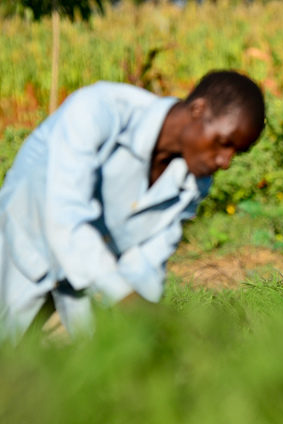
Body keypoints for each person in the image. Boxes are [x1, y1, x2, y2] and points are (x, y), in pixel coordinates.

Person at [0, 70, 265, 342]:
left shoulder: (193, 182)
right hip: (20, 256)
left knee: (79, 374)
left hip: (86, 287)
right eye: (224, 143)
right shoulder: (98, 111)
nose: (226, 161)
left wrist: (148, 322)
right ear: (198, 109)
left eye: (237, 152)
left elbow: (147, 260)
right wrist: (132, 302)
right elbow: (65, 220)